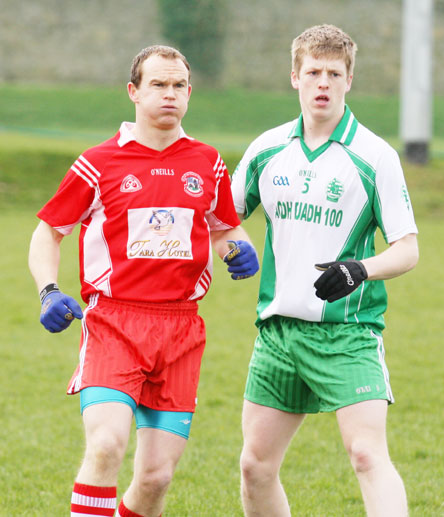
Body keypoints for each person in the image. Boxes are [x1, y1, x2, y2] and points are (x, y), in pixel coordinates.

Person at [29, 45, 259, 517]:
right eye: (158, 84)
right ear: (133, 92)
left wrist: (238, 247)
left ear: (190, 94)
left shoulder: (207, 163)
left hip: (180, 329)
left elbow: (224, 226)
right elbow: (47, 233)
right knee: (107, 445)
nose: (169, 94)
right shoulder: (98, 162)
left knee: (156, 479)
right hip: (114, 323)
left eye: (178, 86)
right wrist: (48, 290)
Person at [231, 24, 418, 517]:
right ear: (294, 76)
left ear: (349, 81)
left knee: (365, 454)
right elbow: (220, 218)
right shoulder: (268, 150)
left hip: (348, 333)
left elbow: (407, 249)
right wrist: (236, 245)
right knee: (255, 466)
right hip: (278, 333)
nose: (323, 82)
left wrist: (360, 269)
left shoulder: (374, 156)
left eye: (335, 73)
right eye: (313, 71)